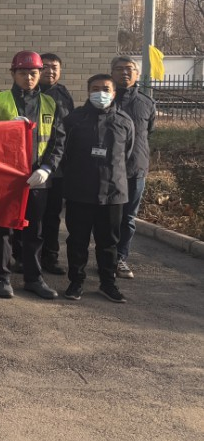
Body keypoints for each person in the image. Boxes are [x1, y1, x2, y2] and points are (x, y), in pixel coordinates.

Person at [0, 50, 66, 300]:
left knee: (35, 231)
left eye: (33, 73)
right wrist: (5, 129)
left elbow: (58, 141)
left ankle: (33, 278)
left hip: (37, 178)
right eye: (22, 73)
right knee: (3, 230)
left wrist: (47, 168)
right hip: (5, 178)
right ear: (13, 74)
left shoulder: (51, 103)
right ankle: (2, 278)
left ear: (39, 74)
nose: (28, 78)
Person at [60, 73, 135, 303]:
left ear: (114, 93)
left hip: (112, 193)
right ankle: (76, 282)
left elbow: (127, 154)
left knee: (108, 242)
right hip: (80, 191)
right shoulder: (74, 120)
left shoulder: (124, 121)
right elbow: (64, 154)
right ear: (88, 91)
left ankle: (108, 283)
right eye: (95, 89)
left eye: (105, 89)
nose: (100, 93)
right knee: (77, 240)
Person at [110, 55, 156, 280]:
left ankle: (120, 258)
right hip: (108, 170)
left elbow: (149, 132)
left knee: (128, 218)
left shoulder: (147, 103)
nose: (124, 73)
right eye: (119, 69)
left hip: (135, 169)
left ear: (137, 74)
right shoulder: (106, 98)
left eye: (129, 69)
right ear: (112, 73)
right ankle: (105, 257)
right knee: (107, 217)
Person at [39, 53, 76, 276]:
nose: (50, 71)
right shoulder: (29, 94)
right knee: (30, 216)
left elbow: (66, 131)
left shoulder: (63, 95)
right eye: (45, 67)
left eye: (54, 67)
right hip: (32, 165)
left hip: (58, 167)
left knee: (52, 215)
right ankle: (24, 255)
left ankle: (50, 257)